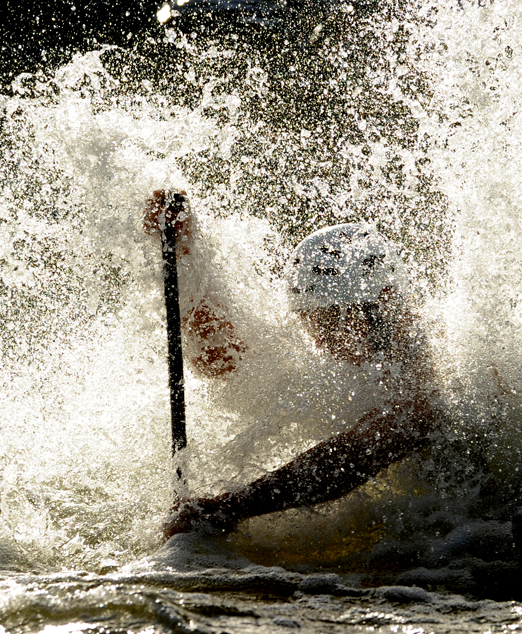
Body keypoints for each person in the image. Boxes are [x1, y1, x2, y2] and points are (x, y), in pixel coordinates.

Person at [143, 190, 444, 539]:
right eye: (314, 323)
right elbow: (225, 359)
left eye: (330, 323)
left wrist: (230, 507)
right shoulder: (353, 354)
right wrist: (184, 259)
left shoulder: (425, 368)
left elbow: (362, 449)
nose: (322, 340)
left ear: (379, 307)